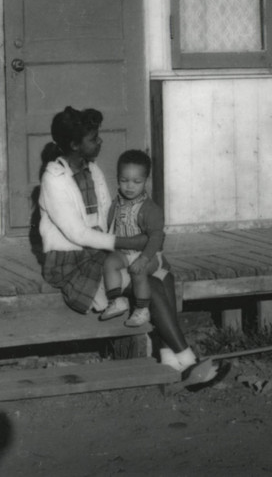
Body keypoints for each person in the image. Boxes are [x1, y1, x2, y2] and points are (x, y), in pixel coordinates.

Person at [38, 105, 225, 386]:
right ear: (75, 145)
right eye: (93, 139)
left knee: (162, 274)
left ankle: (168, 357)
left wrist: (141, 250)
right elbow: (77, 233)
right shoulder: (54, 178)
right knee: (151, 283)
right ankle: (188, 361)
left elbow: (106, 218)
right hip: (70, 260)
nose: (99, 142)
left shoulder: (93, 171)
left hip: (102, 251)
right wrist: (129, 243)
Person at [101, 150, 165, 328]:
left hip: (149, 254)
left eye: (136, 182)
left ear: (146, 181)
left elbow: (156, 237)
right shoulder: (117, 203)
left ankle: (142, 309)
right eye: (124, 181)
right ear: (117, 178)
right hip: (124, 252)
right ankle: (116, 301)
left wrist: (144, 259)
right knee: (109, 263)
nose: (130, 186)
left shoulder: (150, 208)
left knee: (138, 271)